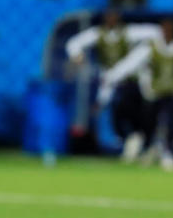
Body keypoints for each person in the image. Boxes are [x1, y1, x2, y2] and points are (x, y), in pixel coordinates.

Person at [100, 18, 173, 171]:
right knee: (148, 123)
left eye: (170, 31)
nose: (167, 34)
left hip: (171, 94)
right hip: (152, 94)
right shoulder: (150, 48)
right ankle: (149, 148)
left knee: (171, 124)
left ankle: (168, 153)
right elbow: (130, 63)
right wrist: (112, 76)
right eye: (165, 31)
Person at [67, 10, 162, 162]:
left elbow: (155, 31)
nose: (111, 20)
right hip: (108, 80)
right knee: (108, 111)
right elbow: (74, 43)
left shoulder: (128, 33)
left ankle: (141, 142)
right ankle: (127, 141)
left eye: (114, 17)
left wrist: (154, 50)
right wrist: (76, 54)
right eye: (108, 17)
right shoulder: (97, 34)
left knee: (131, 110)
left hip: (129, 80)